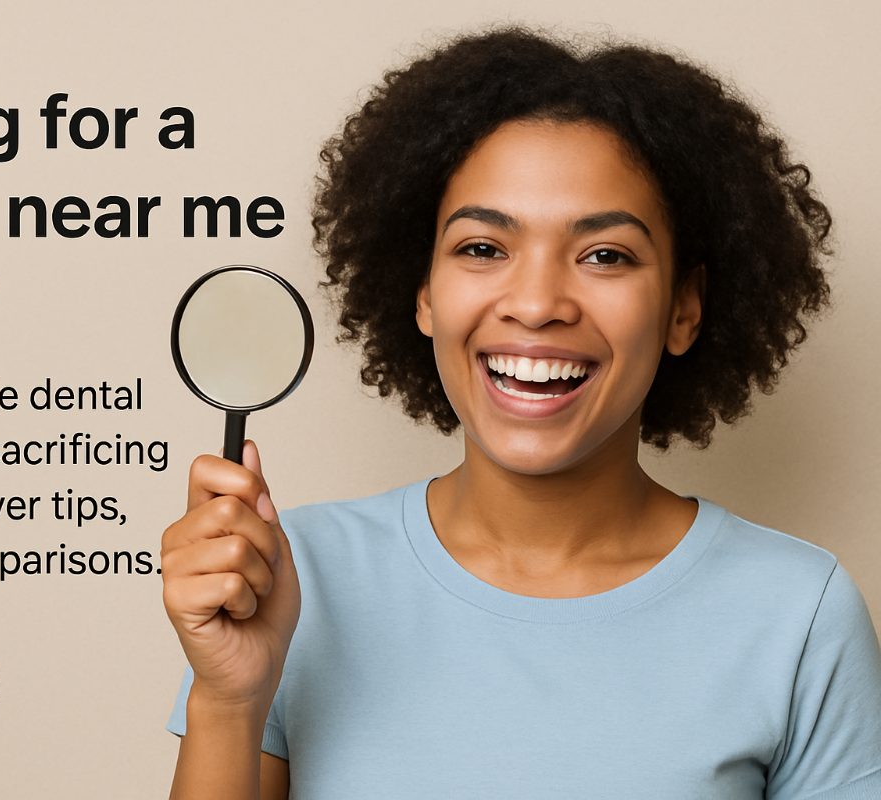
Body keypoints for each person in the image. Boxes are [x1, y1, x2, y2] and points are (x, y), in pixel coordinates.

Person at [161, 23, 881, 799]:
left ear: (684, 308)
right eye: (482, 248)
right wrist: (230, 700)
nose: (537, 304)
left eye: (606, 255)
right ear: (425, 293)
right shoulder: (296, 577)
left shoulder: (796, 614)